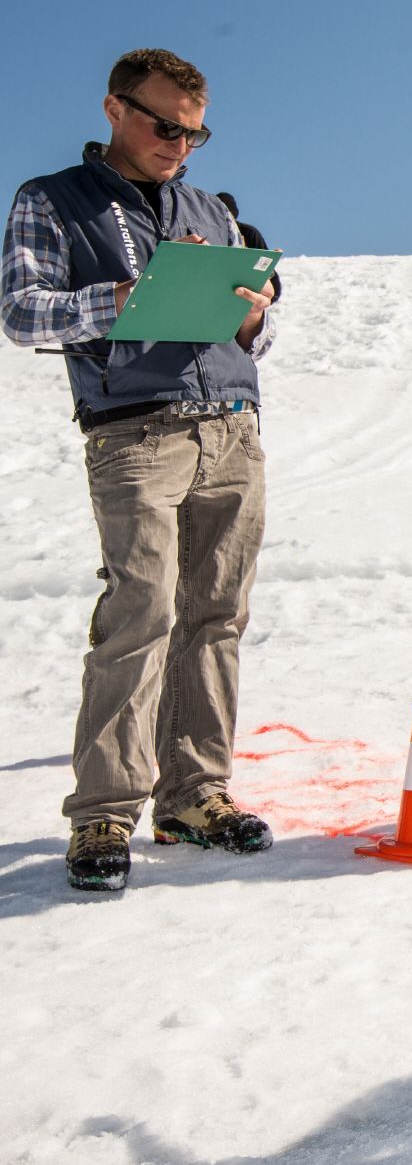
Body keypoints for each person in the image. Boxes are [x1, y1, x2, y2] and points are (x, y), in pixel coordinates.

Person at [2, 48, 280, 892]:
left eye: (195, 133)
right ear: (115, 109)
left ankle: (196, 797)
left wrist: (251, 315)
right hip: (134, 434)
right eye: (166, 127)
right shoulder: (51, 200)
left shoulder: (213, 207)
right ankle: (104, 814)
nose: (180, 146)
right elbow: (20, 310)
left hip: (231, 426)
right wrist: (119, 298)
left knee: (217, 616)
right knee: (141, 613)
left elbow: (260, 337)